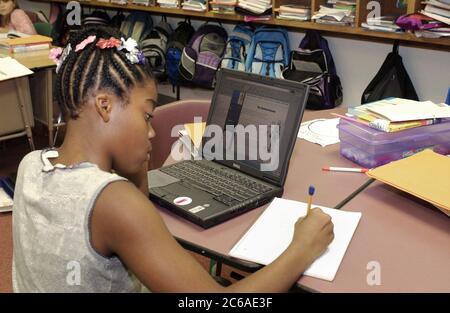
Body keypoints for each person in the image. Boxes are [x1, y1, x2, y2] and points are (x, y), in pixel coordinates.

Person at [12, 26, 334, 292]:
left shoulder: (31, 164)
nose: (152, 132)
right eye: (147, 115)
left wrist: (135, 163)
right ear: (105, 106)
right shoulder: (113, 202)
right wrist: (302, 249)